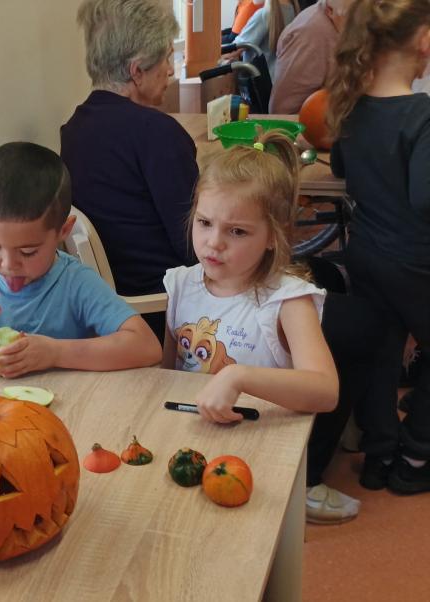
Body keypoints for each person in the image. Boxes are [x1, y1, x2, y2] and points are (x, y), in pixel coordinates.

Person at [162, 131, 353, 521]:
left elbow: (326, 390)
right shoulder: (180, 284)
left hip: (260, 457)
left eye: (237, 231)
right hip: (192, 446)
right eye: (205, 222)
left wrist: (239, 376)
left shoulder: (288, 300)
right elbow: (167, 377)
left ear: (273, 235)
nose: (214, 242)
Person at [0, 142, 163, 377]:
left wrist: (56, 353)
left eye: (27, 252)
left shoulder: (76, 282)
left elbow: (147, 347)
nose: (7, 264)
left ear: (63, 231)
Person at [327, 0, 430, 494]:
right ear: (424, 41)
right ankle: (416, 456)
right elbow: (425, 198)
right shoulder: (422, 115)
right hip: (414, 263)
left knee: (382, 355)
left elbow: (340, 168)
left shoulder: (354, 107)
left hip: (365, 253)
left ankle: (379, 454)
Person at [60, 0, 198, 344]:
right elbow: (195, 244)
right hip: (167, 312)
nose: (170, 70)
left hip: (105, 309)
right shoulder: (158, 133)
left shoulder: (73, 129)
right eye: (166, 59)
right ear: (136, 71)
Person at [269, 0, 351, 114]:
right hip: (307, 121)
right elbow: (283, 111)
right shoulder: (314, 33)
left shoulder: (340, 23)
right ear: (330, 11)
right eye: (352, 17)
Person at [231, 0, 301, 79]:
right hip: (281, 79)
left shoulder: (263, 15)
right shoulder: (294, 11)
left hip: (260, 81)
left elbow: (233, 50)